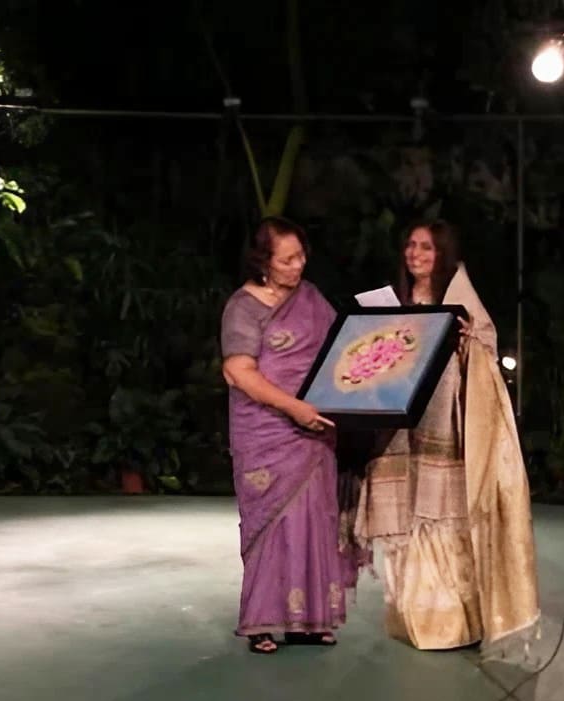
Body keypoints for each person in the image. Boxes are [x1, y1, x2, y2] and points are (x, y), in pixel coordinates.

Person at [346, 219, 539, 656]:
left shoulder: (457, 298)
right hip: (400, 425)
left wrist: (469, 343)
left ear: (443, 255)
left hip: (441, 421)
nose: (415, 254)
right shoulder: (396, 302)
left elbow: (485, 347)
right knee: (406, 513)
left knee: (438, 515)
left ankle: (450, 623)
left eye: (426, 247)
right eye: (411, 245)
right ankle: (413, 618)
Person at [221, 216, 355, 654]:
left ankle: (309, 621)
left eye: (300, 257)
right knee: (272, 524)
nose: (297, 266)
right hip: (266, 430)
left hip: (314, 429)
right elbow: (238, 371)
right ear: (263, 262)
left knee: (314, 519)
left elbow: (343, 347)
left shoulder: (310, 298)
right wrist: (293, 407)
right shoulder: (243, 307)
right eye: (286, 260)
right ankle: (262, 622)